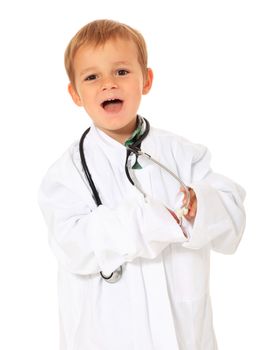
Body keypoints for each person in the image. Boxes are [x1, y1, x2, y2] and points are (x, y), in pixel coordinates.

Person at [38, 19, 246, 350]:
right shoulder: (66, 175)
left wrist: (200, 206)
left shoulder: (181, 154)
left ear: (146, 80)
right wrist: (147, 222)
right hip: (107, 336)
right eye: (92, 77)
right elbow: (71, 245)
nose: (108, 84)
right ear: (75, 94)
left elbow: (232, 218)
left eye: (121, 71)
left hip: (185, 334)